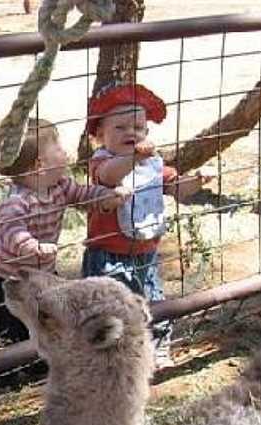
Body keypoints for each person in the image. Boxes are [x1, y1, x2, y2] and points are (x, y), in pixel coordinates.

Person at [83, 82, 211, 368]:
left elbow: (176, 187)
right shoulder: (102, 160)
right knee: (109, 308)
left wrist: (197, 180)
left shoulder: (151, 163)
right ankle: (112, 359)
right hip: (108, 254)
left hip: (146, 251)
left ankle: (158, 349)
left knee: (154, 301)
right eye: (120, 127)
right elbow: (110, 176)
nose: (131, 133)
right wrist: (134, 156)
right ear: (100, 135)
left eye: (138, 127)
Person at [0, 118, 129, 352]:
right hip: (5, 276)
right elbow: (12, 231)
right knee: (5, 326)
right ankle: (2, 372)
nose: (66, 152)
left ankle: (38, 360)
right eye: (58, 147)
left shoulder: (60, 186)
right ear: (40, 164)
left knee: (44, 318)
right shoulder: (17, 201)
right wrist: (31, 246)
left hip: (41, 270)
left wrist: (106, 196)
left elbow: (83, 195)